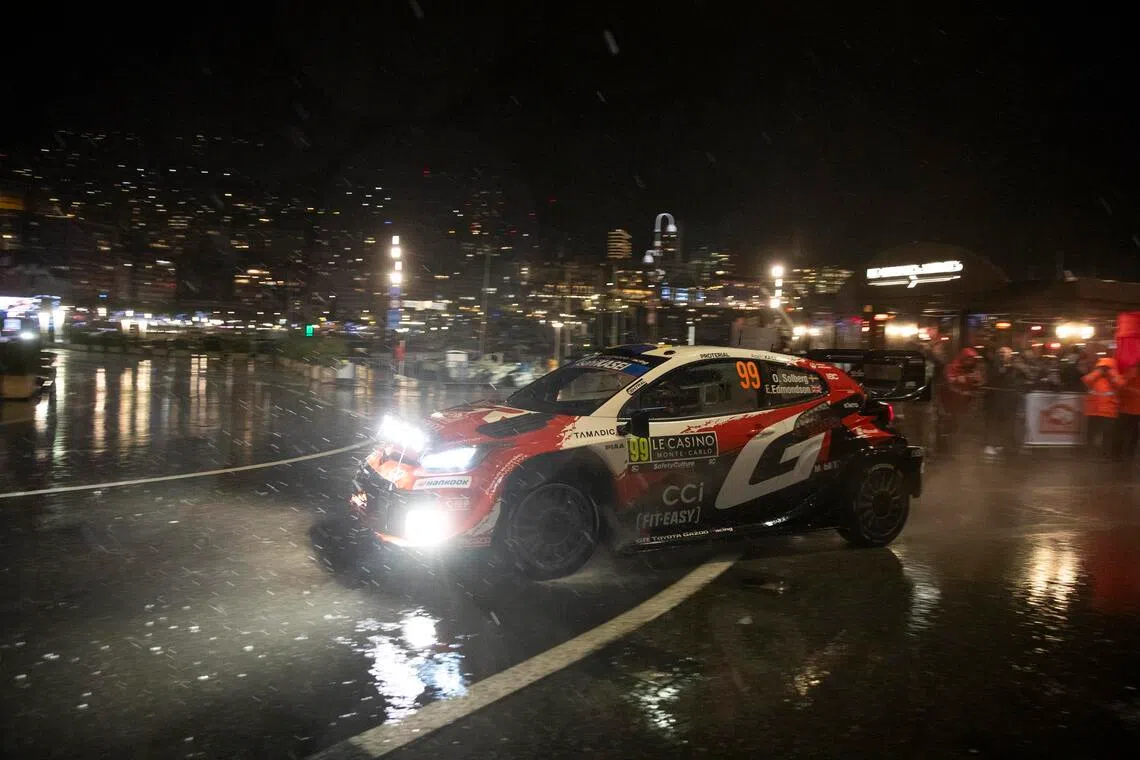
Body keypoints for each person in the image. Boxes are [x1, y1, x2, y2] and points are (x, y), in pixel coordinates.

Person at [1082, 356, 1123, 458]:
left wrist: (1110, 373)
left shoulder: (1114, 377)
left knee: (1107, 435)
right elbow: (1086, 380)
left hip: (1108, 411)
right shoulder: (1095, 376)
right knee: (1091, 433)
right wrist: (1098, 372)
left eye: (1106, 367)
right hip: (1094, 411)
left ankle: (1105, 454)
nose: (1104, 369)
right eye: (1102, 367)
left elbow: (1120, 384)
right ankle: (1089, 452)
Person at [983, 346, 1021, 455]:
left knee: (1005, 422)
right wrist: (1002, 370)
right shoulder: (993, 366)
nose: (1005, 356)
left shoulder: (1014, 367)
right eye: (1003, 353)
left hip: (1008, 399)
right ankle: (989, 444)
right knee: (992, 422)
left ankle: (1001, 444)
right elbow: (991, 378)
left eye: (1008, 354)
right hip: (994, 398)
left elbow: (1014, 381)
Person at [1117, 365, 1140, 460]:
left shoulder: (1130, 373)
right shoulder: (1130, 374)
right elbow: (1122, 388)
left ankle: (1127, 453)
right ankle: (1123, 453)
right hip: (1128, 409)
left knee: (1132, 433)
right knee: (1129, 433)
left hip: (1131, 409)